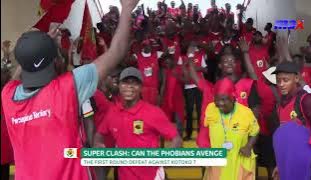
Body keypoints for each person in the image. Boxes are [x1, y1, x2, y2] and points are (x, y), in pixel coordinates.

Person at [1, 0, 140, 179]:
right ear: (54, 60)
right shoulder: (66, 89)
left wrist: (37, 51)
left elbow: (17, 75)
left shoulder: (8, 96)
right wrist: (127, 8)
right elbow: (116, 52)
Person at [94, 67, 182, 180]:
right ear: (119, 86)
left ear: (141, 88)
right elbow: (99, 134)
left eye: (134, 83)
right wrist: (98, 144)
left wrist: (168, 157)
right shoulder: (113, 112)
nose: (129, 87)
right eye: (125, 83)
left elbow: (176, 139)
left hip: (152, 176)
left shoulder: (153, 112)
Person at [203, 77, 259, 180]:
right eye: (217, 99)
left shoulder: (246, 113)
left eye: (224, 99)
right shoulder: (211, 109)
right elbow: (206, 130)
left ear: (233, 98)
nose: (220, 103)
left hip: (239, 162)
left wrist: (248, 146)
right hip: (218, 163)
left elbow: (255, 131)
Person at [272, 61, 311, 180]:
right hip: (289, 165)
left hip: (308, 165)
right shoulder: (279, 106)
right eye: (278, 81)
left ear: (297, 78)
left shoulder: (306, 100)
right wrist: (279, 165)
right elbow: (283, 140)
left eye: (285, 80)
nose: (281, 84)